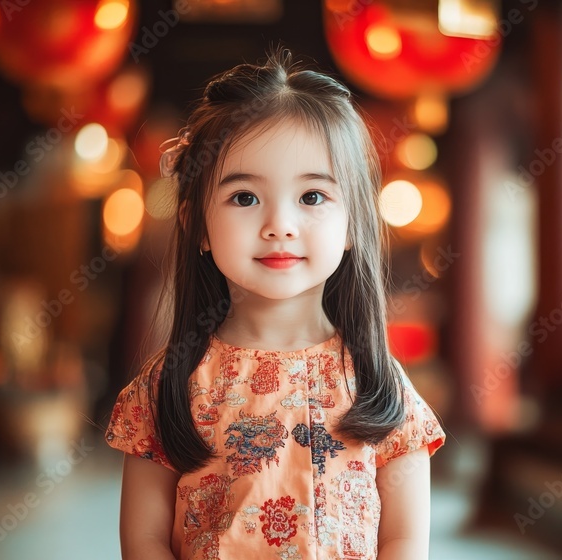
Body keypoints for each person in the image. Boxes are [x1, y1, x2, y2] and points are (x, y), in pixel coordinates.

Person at [105, 47, 446, 560]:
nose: (280, 224)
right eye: (245, 197)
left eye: (312, 197)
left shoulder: (379, 384)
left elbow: (403, 541)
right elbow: (144, 541)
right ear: (195, 223)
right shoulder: (172, 385)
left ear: (353, 223)